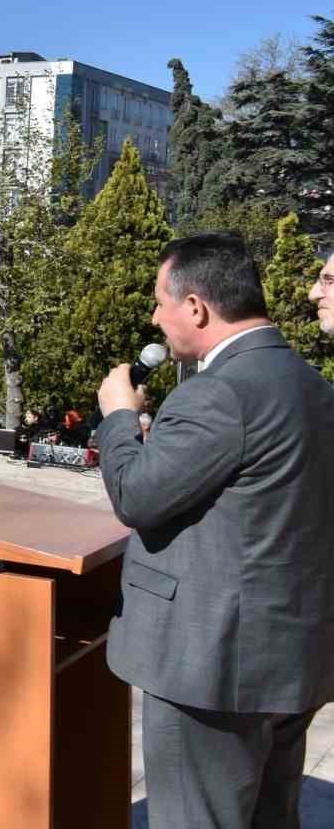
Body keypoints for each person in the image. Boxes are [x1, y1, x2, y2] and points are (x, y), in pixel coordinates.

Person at [95, 232, 334, 829]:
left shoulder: (219, 392)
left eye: (160, 301)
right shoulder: (310, 384)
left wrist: (119, 416)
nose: (155, 317)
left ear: (196, 307)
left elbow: (136, 495)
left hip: (213, 670)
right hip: (287, 663)